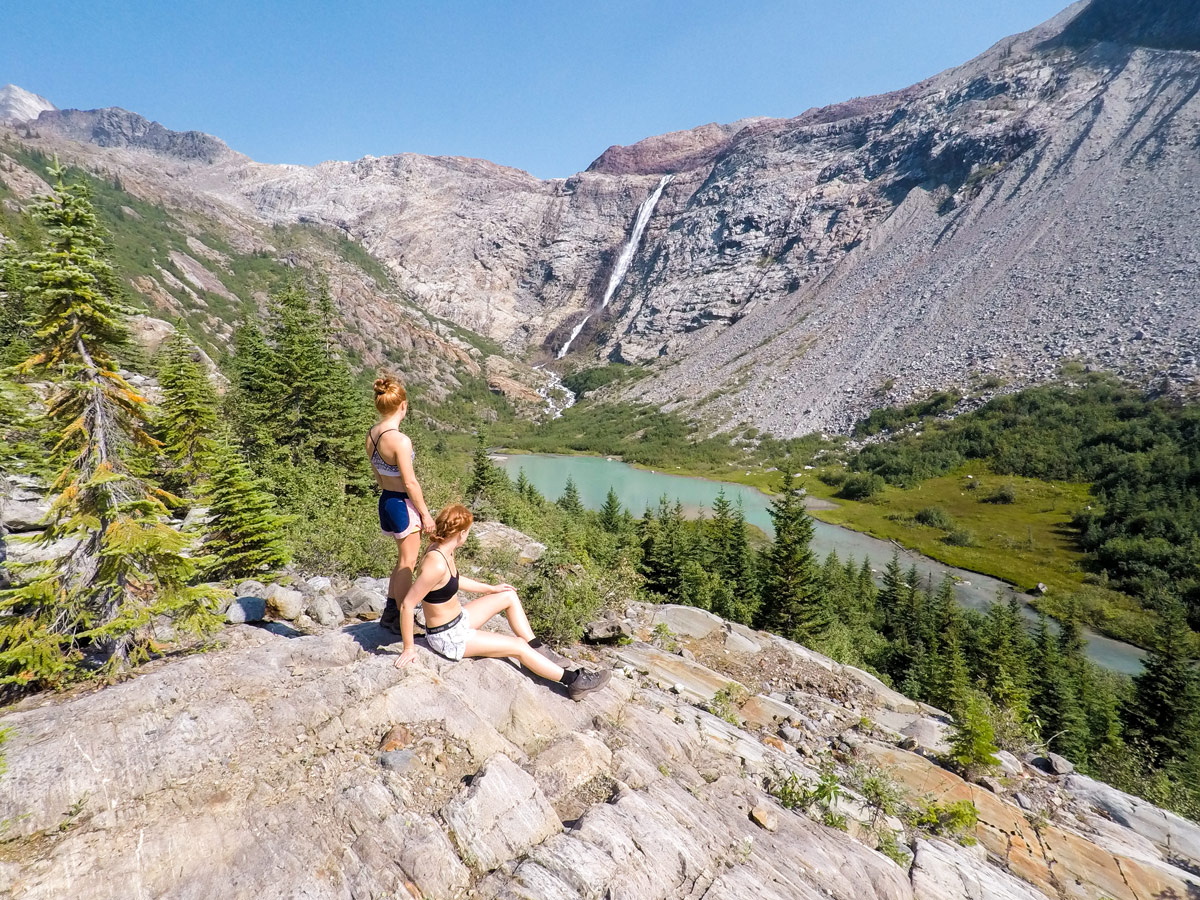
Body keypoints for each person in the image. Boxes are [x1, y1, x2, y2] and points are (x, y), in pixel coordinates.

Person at [393, 504, 611, 701]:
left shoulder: (444, 551)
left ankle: (538, 650)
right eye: (468, 531)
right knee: (517, 645)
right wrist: (409, 648)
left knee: (508, 596)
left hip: (459, 620)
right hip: (449, 637)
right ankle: (574, 681)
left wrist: (490, 588)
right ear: (461, 533)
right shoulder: (436, 563)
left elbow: (452, 581)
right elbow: (407, 604)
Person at [368, 375, 437, 634]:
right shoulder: (400, 440)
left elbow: (377, 473)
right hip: (402, 502)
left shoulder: (372, 435)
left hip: (386, 499)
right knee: (408, 562)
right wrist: (426, 515)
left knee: (401, 560)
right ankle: (401, 617)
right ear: (403, 406)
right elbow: (411, 483)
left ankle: (390, 613)